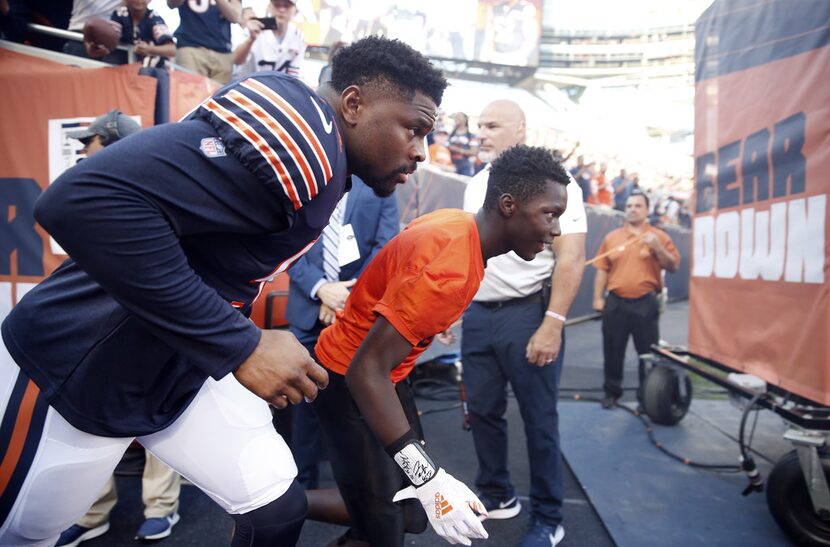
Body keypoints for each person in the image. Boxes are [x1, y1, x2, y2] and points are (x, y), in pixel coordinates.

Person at [0, 36, 447, 547]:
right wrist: (241, 343)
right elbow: (82, 202)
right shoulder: (306, 132)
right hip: (80, 366)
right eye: (413, 128)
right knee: (26, 531)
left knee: (276, 506)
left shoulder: (332, 159)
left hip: (176, 365)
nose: (420, 150)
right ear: (352, 103)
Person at [312, 144, 570, 547]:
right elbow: (366, 371)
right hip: (350, 381)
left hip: (380, 376)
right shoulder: (449, 267)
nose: (556, 230)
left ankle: (360, 514)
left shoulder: (459, 226)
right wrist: (429, 477)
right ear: (508, 204)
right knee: (387, 521)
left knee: (410, 511)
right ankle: (275, 504)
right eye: (550, 214)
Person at [50, 110, 183, 547]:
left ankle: (161, 507)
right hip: (98, 320)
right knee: (86, 419)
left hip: (149, 323)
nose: (82, 150)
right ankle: (91, 513)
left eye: (90, 143)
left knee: (159, 418)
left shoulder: (150, 187)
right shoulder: (94, 187)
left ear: (110, 144)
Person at [461, 100, 586, 547]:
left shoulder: (556, 184)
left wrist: (552, 324)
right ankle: (497, 495)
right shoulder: (475, 184)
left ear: (520, 128)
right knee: (482, 411)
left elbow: (571, 258)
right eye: (479, 125)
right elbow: (469, 254)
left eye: (492, 124)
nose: (482, 133)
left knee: (539, 419)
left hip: (528, 313)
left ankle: (549, 517)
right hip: (478, 313)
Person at [285, 175, 399, 489]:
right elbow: (288, 245)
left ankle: (359, 489)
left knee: (356, 405)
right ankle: (301, 486)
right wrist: (321, 289)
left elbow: (385, 249)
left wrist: (345, 300)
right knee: (303, 404)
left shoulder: (380, 187)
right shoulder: (306, 183)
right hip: (308, 311)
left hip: (356, 312)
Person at [592, 191, 681, 409]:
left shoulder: (659, 236)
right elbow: (602, 271)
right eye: (629, 205)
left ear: (647, 210)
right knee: (612, 350)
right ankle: (611, 393)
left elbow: (673, 266)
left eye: (638, 206)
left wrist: (657, 247)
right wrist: (597, 299)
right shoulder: (612, 237)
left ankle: (646, 397)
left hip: (645, 302)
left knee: (647, 353)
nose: (632, 209)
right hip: (615, 301)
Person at [168, 0, 241, 84]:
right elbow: (172, 4)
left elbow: (235, 16)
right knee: (190, 93)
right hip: (191, 48)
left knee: (219, 95)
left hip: (222, 52)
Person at [88, 0, 175, 66]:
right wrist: (101, 46)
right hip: (122, 68)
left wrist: (150, 50)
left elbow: (171, 50)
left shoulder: (154, 18)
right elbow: (112, 37)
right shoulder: (120, 14)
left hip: (150, 72)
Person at [233, 0, 306, 78]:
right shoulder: (254, 27)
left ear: (296, 11)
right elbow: (236, 60)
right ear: (269, 7)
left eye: (287, 6)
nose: (281, 10)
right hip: (246, 85)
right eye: (277, 5)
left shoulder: (299, 37)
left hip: (276, 87)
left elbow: (292, 76)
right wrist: (251, 39)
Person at [447, 112, 478, 176]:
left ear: (465, 119)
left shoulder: (471, 136)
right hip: (450, 166)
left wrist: (458, 150)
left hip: (464, 167)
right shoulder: (451, 134)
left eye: (459, 117)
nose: (456, 118)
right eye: (455, 117)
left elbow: (474, 152)